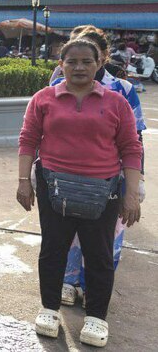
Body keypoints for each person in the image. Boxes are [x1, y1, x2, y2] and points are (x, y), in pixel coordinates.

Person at [17, 38, 142, 347]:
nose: (79, 67)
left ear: (99, 64)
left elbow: (131, 148)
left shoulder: (116, 102)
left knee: (99, 254)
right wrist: (23, 181)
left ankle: (97, 316)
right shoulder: (44, 98)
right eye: (71, 61)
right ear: (61, 65)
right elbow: (28, 139)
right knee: (53, 249)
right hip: (54, 187)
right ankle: (49, 309)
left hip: (103, 191)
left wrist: (131, 193)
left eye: (87, 61)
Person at [50, 26, 146, 310]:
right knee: (69, 234)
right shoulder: (57, 84)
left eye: (88, 55)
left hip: (110, 177)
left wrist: (136, 180)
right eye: (73, 55)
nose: (79, 64)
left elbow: (135, 140)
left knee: (105, 238)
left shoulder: (121, 90)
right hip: (67, 175)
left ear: (102, 56)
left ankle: (94, 289)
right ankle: (68, 282)